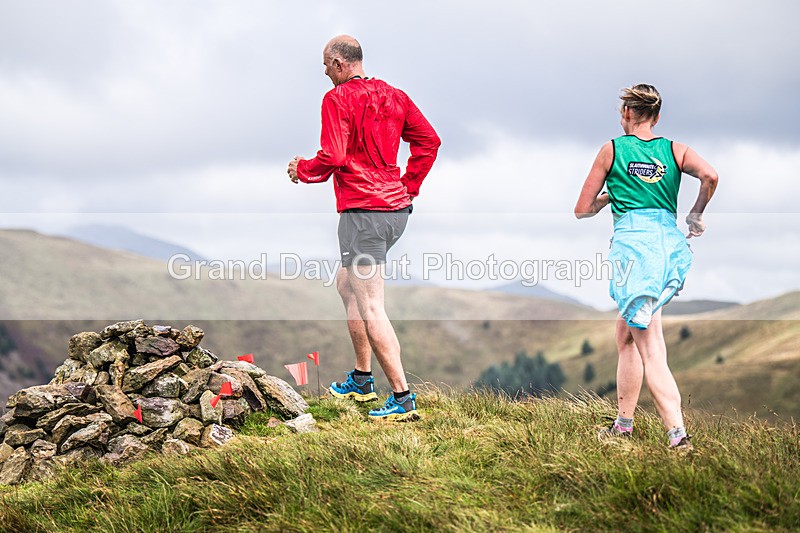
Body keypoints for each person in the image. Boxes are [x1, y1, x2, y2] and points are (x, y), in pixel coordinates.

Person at [287, 35, 441, 421]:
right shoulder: (396, 95)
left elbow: (334, 155)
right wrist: (409, 185)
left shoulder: (336, 99)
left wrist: (302, 170)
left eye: (325, 65)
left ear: (340, 63)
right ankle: (361, 378)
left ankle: (403, 399)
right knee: (346, 284)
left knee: (371, 304)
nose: (324, 72)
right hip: (394, 211)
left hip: (363, 213)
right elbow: (429, 141)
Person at [574, 84, 718, 450]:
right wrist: (696, 212)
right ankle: (623, 425)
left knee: (650, 347)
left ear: (626, 113)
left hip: (634, 253)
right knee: (625, 336)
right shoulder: (675, 150)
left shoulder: (612, 150)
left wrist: (611, 197)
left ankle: (678, 437)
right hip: (668, 248)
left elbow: (582, 208)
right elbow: (711, 176)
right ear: (656, 116)